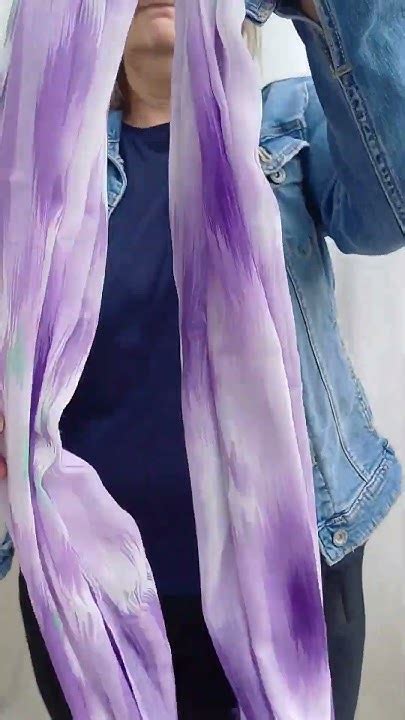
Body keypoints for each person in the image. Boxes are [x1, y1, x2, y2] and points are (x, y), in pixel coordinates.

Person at [0, 1, 404, 718]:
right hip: (90, 596)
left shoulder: (286, 122)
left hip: (291, 577)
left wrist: (327, 11)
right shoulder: (37, 172)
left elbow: (387, 213)